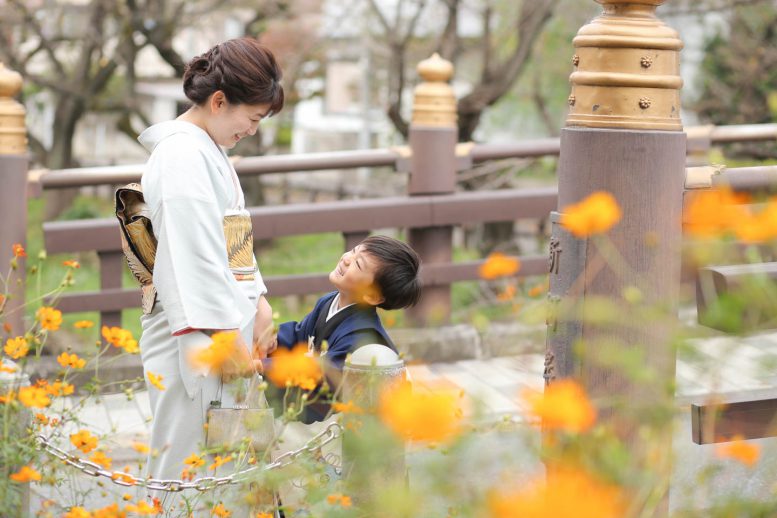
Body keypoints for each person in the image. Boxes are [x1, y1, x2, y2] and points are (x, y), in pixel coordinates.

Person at [135, 37, 283, 484]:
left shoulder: (208, 149)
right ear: (219, 101)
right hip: (198, 334)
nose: (253, 130)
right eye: (253, 118)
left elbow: (234, 238)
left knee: (224, 469)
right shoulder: (181, 156)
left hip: (223, 324)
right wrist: (222, 339)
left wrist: (258, 303)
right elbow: (191, 258)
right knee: (187, 467)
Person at [264, 235, 421, 423]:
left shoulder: (362, 337)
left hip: (353, 422)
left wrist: (261, 365)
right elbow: (299, 336)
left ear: (373, 296)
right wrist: (268, 337)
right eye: (354, 251)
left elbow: (330, 377)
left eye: (359, 264)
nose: (347, 259)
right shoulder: (328, 301)